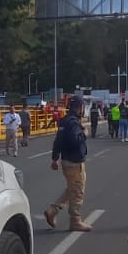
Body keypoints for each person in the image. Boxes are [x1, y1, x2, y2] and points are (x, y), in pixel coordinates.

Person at [45, 95, 91, 232]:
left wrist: (54, 158)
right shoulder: (74, 123)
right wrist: (84, 134)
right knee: (77, 192)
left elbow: (58, 141)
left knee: (72, 188)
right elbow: (74, 140)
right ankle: (75, 221)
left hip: (66, 161)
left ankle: (53, 210)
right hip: (74, 162)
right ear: (80, 107)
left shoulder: (64, 121)